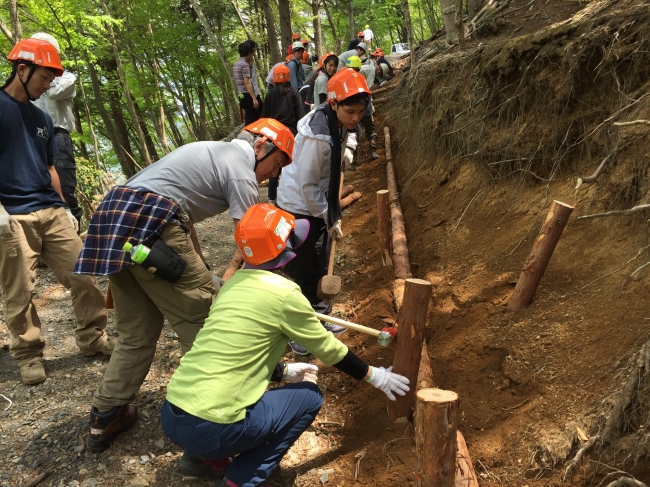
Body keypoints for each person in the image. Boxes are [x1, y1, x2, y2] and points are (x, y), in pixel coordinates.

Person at [74, 119, 295, 453]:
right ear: (261, 146)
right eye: (275, 164)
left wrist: (204, 270)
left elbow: (183, 218)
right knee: (204, 320)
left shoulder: (207, 150)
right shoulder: (240, 169)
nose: (271, 175)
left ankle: (105, 414)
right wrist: (241, 285)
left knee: (137, 332)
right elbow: (251, 241)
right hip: (152, 225)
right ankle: (222, 415)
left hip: (114, 222)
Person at [160, 203, 410, 487]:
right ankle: (242, 478)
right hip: (213, 427)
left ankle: (207, 459)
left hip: (172, 413)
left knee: (212, 412)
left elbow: (232, 348)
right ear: (287, 253)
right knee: (309, 397)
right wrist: (375, 376)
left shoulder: (232, 284)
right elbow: (328, 350)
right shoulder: (285, 293)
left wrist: (282, 372)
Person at [0, 37, 115, 385]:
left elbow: (50, 168)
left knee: (83, 274)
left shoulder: (41, 118)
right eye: (44, 78)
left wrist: (65, 207)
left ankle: (93, 338)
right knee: (19, 291)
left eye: (51, 80)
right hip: (12, 216)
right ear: (22, 69)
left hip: (49, 210)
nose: (48, 86)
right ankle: (28, 354)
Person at [276, 68, 371, 354]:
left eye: (360, 112)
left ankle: (321, 318)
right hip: (300, 206)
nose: (355, 118)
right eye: (350, 112)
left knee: (321, 262)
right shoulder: (316, 135)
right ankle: (299, 333)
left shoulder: (338, 120)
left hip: (319, 199)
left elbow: (350, 132)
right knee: (303, 270)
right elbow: (306, 185)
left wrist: (349, 146)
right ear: (333, 104)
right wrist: (329, 216)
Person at [31, 32, 83, 229]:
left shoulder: (67, 77)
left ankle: (73, 234)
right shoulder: (28, 80)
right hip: (33, 135)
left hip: (58, 135)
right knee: (37, 184)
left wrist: (44, 72)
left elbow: (53, 92)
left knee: (64, 186)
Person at [261, 66, 303, 204]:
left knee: (275, 165)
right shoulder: (294, 93)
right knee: (292, 165)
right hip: (290, 133)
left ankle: (272, 197)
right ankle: (293, 197)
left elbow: (264, 118)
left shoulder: (270, 96)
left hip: (274, 134)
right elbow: (300, 117)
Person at [345, 56, 379, 165]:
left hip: (351, 112)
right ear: (359, 67)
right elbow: (368, 94)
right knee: (371, 131)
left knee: (352, 134)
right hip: (365, 109)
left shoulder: (346, 80)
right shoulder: (362, 78)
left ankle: (353, 162)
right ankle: (373, 152)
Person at [234, 40, 263, 124]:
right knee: (250, 121)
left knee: (258, 116)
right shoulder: (244, 65)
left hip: (242, 95)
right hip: (248, 95)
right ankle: (246, 136)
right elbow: (247, 82)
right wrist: (254, 98)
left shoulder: (237, 63)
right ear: (249, 52)